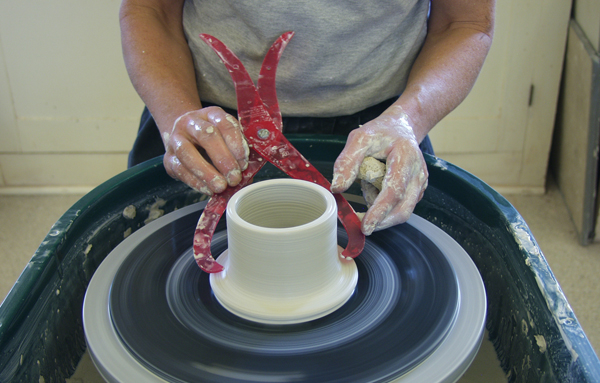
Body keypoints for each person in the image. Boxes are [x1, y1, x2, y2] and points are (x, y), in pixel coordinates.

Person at [119, 0, 495, 235]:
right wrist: (177, 117)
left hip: (381, 127)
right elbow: (152, 10)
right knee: (159, 264)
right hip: (204, 119)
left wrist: (408, 120)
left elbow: (463, 23)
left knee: (399, 259)